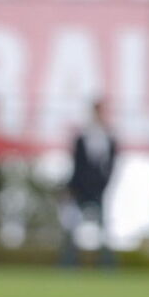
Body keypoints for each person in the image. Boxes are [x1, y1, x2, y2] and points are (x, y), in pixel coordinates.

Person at [60, 98, 118, 267]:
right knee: (73, 228)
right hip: (80, 188)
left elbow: (111, 165)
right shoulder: (83, 137)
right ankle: (69, 264)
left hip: (99, 189)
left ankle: (107, 265)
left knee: (103, 228)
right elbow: (76, 165)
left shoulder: (108, 137)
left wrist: (104, 184)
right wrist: (71, 187)